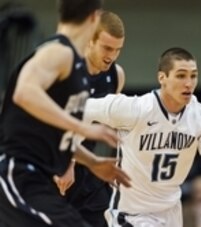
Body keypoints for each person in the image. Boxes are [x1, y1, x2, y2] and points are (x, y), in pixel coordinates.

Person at [0, 1, 131, 227]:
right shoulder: (58, 51)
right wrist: (83, 128)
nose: (112, 55)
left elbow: (55, 134)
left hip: (47, 174)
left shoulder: (80, 67)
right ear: (94, 18)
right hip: (20, 172)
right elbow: (24, 92)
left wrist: (93, 161)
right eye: (108, 48)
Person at [83, 47, 201, 227]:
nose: (189, 83)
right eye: (181, 76)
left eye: (193, 76)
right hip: (132, 214)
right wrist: (73, 154)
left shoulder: (199, 115)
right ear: (162, 78)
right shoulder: (136, 109)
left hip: (171, 214)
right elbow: (77, 108)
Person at [54, 11, 126, 227]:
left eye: (117, 50)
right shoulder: (63, 69)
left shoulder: (116, 75)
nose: (111, 56)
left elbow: (110, 124)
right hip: (53, 164)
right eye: (107, 48)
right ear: (90, 40)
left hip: (87, 170)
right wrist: (67, 163)